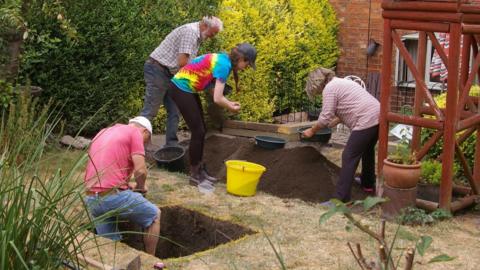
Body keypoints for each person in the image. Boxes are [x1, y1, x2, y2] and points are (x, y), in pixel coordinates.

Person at [168, 43, 257, 186]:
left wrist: (228, 102)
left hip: (186, 89)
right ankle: (195, 175)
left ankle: (199, 170)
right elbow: (217, 98)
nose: (246, 67)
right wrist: (230, 107)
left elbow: (212, 89)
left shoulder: (223, 60)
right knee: (198, 131)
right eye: (247, 63)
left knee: (200, 130)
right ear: (242, 59)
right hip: (180, 88)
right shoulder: (224, 66)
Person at [140, 16, 224, 147]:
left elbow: (187, 63)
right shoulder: (190, 32)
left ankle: (171, 146)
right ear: (205, 26)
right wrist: (199, 79)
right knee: (150, 110)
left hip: (170, 73)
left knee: (175, 109)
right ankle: (138, 145)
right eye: (212, 33)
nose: (212, 36)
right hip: (158, 69)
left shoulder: (197, 36)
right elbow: (183, 63)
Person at [84, 116, 160, 255]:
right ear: (144, 131)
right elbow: (141, 170)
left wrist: (126, 185)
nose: (144, 145)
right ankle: (151, 261)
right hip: (113, 198)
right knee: (154, 215)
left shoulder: (102, 132)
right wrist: (140, 186)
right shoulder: (135, 133)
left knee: (112, 248)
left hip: (91, 199)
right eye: (147, 141)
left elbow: (105, 167)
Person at [302, 68, 380, 203]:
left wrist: (312, 131)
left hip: (366, 119)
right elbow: (350, 105)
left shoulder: (330, 89)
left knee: (349, 155)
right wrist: (335, 121)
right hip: (378, 117)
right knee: (367, 150)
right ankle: (368, 184)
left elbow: (325, 117)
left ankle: (341, 199)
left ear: (317, 84)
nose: (318, 93)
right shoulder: (342, 82)